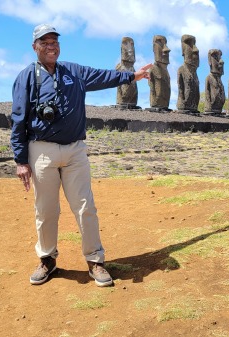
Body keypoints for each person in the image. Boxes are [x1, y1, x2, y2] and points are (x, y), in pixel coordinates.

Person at [10, 24, 152, 287]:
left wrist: (133, 76)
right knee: (46, 210)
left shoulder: (74, 72)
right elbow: (18, 119)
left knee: (86, 206)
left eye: (54, 42)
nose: (51, 46)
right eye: (45, 42)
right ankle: (47, 259)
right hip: (42, 150)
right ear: (35, 47)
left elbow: (103, 76)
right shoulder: (26, 77)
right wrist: (21, 160)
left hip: (75, 149)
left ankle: (95, 260)